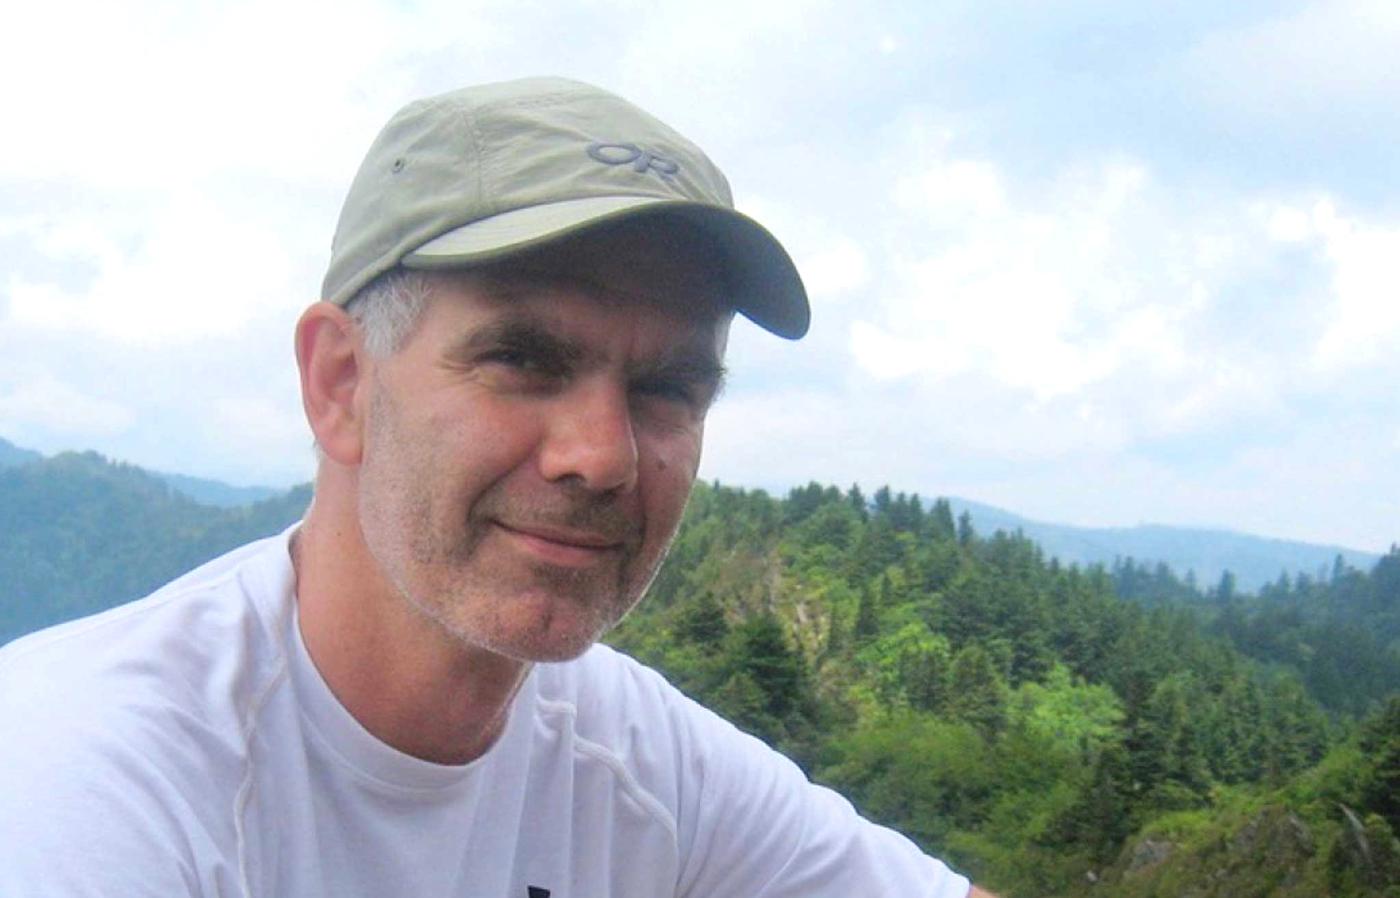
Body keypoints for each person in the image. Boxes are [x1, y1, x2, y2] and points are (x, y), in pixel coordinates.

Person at [0, 77, 997, 897]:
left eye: (667, 387)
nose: (601, 456)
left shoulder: (637, 764)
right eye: (521, 358)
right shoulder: (79, 786)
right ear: (340, 384)